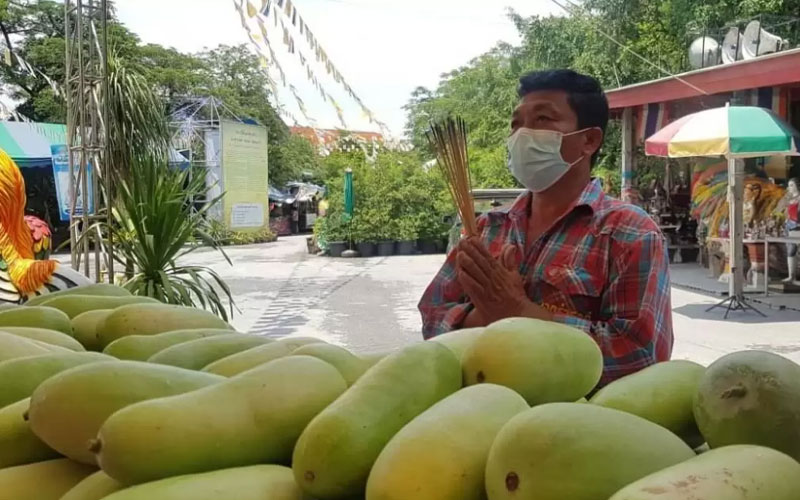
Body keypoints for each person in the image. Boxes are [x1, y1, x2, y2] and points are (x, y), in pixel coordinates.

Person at [418, 69, 673, 386]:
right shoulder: (486, 228)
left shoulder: (629, 233)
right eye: (515, 124)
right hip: (476, 408)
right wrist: (485, 315)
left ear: (589, 140)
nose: (521, 134)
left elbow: (641, 354)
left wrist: (518, 312)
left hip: (571, 423)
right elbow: (432, 314)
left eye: (542, 119)